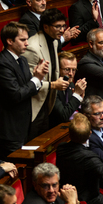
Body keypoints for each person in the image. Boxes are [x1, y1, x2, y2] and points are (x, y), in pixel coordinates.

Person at [0, 22, 49, 159]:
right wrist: (36, 79)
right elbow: (16, 95)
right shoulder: (2, 64)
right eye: (23, 40)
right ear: (9, 41)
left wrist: (37, 79)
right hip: (9, 131)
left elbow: (30, 89)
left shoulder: (21, 60)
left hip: (23, 127)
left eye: (27, 39)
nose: (27, 44)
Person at [22, 9, 72, 138]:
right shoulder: (32, 47)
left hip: (47, 103)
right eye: (58, 27)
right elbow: (29, 83)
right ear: (45, 27)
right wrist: (54, 85)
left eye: (63, 26)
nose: (62, 30)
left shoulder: (54, 41)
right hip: (34, 106)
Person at [50, 51, 87, 129]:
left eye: (74, 70)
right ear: (58, 69)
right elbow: (64, 115)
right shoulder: (53, 88)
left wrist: (80, 99)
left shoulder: (70, 84)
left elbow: (73, 109)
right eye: (67, 69)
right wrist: (76, 95)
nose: (71, 73)